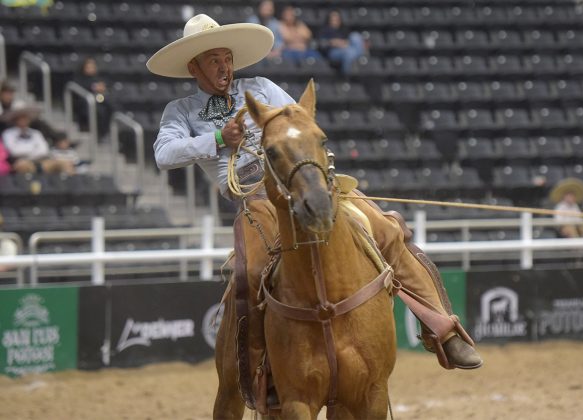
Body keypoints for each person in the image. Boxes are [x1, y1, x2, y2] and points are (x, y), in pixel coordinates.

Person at [147, 13, 481, 377]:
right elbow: (164, 155)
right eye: (214, 60)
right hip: (257, 202)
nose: (224, 66)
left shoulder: (261, 86)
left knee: (386, 230)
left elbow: (302, 122)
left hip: (300, 182)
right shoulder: (179, 111)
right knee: (251, 273)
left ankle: (443, 330)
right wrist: (215, 139)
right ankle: (261, 370)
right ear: (194, 67)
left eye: (226, 58)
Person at [2, 107, 75, 175]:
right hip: (20, 163)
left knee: (65, 163)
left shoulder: (36, 133)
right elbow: (14, 151)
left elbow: (44, 150)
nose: (23, 120)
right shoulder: (8, 133)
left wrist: (28, 153)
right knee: (22, 165)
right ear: (15, 119)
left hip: (39, 162)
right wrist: (33, 149)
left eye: (25, 118)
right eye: (20, 118)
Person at [318, 9, 367, 74]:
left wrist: (342, 43)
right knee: (349, 53)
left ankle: (361, 58)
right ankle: (347, 76)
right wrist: (334, 42)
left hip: (347, 48)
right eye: (333, 19)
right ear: (329, 19)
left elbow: (348, 41)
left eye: (337, 19)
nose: (335, 21)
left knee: (355, 36)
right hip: (333, 52)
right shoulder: (325, 30)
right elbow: (322, 44)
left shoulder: (343, 29)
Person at [74, 57, 113, 138]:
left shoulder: (98, 78)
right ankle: (98, 134)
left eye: (92, 67)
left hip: (100, 101)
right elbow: (78, 90)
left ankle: (106, 133)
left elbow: (106, 86)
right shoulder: (79, 78)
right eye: (88, 67)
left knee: (111, 107)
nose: (91, 69)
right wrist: (94, 87)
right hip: (84, 103)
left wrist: (102, 88)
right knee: (100, 111)